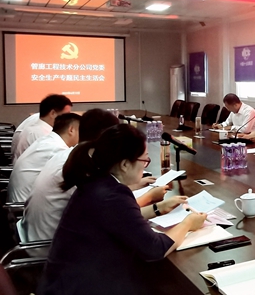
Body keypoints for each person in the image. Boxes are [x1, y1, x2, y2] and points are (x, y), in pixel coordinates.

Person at [37, 124, 206, 295]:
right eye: (144, 160)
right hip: (81, 287)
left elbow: (121, 219)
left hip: (69, 281)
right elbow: (155, 249)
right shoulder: (112, 195)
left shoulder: (98, 181)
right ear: (125, 164)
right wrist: (188, 223)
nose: (145, 166)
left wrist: (157, 208)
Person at [22, 109, 169, 242]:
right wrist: (150, 197)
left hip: (41, 235)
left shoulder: (73, 156)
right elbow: (116, 212)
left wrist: (133, 186)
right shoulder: (83, 167)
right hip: (49, 245)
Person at [7, 113, 81, 203]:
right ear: (71, 130)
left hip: (22, 199)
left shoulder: (46, 140)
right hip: (22, 204)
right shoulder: (57, 149)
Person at [13, 94, 73, 163]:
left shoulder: (35, 129)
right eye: (66, 115)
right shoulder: (41, 134)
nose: (68, 118)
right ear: (53, 113)